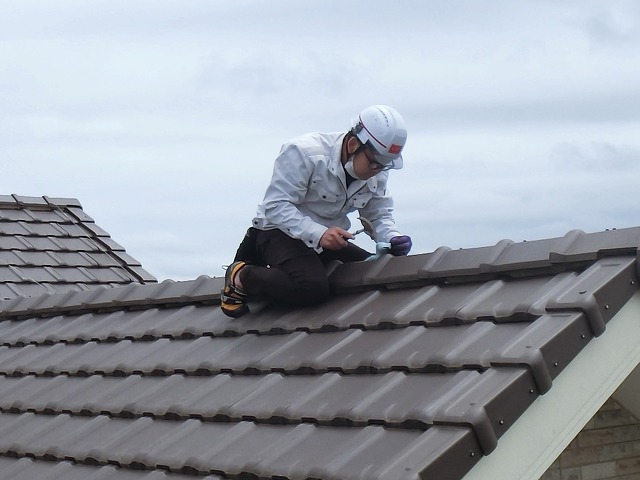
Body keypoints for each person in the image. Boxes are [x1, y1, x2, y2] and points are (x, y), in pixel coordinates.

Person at [221, 105, 413, 318]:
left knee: (370, 273)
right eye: (374, 163)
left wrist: (391, 237)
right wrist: (319, 234)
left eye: (384, 166)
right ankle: (241, 275)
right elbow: (275, 207)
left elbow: (378, 214)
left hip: (326, 238)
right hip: (277, 231)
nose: (377, 170)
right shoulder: (303, 153)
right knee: (311, 287)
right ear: (352, 144)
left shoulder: (377, 170)